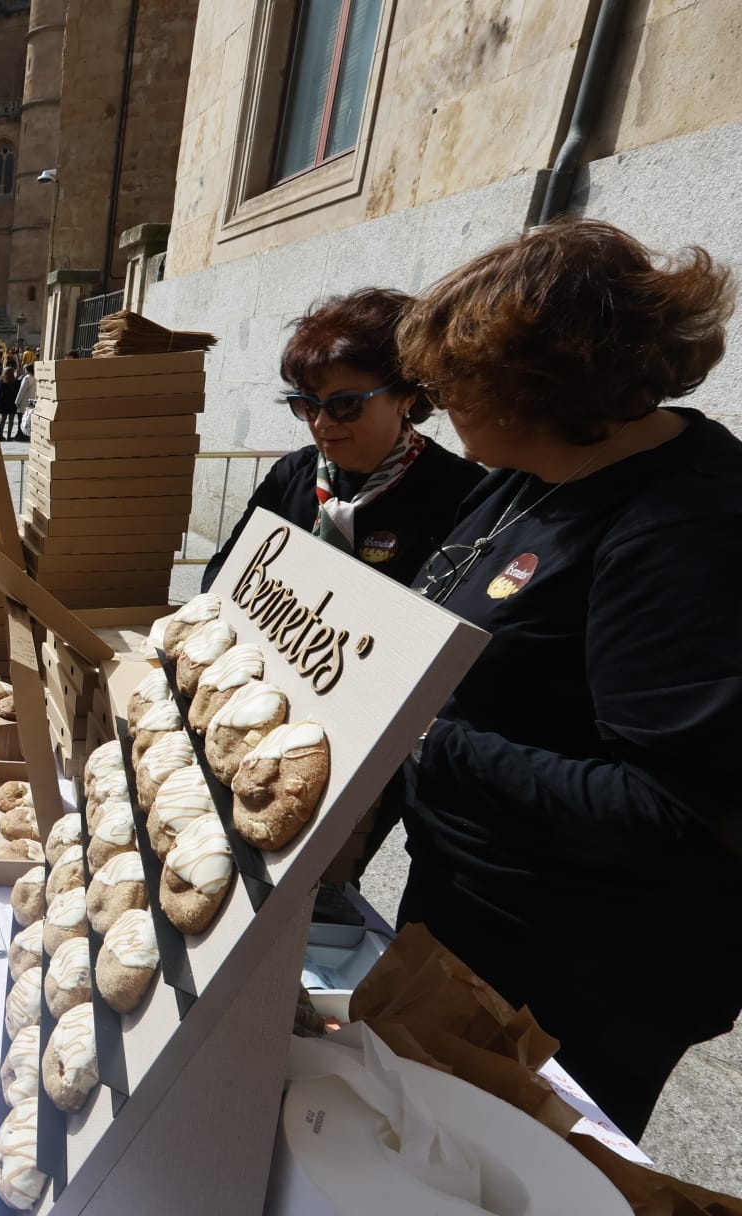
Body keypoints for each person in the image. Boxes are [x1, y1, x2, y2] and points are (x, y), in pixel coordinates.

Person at [389, 219, 742, 1140]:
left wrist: (429, 741)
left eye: (451, 386)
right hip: (465, 915)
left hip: (579, 975)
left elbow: (679, 813)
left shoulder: (685, 530)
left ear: (534, 385)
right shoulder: (524, 473)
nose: (434, 407)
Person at [201, 288, 483, 589]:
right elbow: (224, 569)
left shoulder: (462, 495)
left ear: (406, 397)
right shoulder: (292, 474)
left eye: (345, 404)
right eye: (307, 404)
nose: (322, 423)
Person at [13, 362, 37, 439]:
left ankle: (21, 434)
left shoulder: (27, 378)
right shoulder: (35, 378)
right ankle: (26, 434)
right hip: (31, 401)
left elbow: (21, 391)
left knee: (21, 419)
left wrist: (17, 401)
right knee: (27, 419)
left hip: (24, 401)